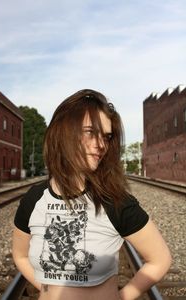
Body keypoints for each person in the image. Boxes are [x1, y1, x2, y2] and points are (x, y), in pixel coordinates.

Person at [12, 89, 171, 300]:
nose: (101, 145)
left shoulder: (114, 201)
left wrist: (121, 297)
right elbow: (20, 255)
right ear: (63, 132)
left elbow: (160, 260)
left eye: (106, 137)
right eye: (90, 132)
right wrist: (48, 289)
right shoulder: (34, 198)